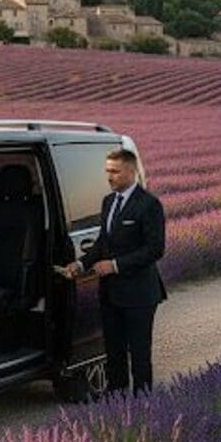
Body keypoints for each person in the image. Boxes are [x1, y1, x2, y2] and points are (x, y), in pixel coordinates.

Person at [63, 147, 167, 394]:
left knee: (140, 356)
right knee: (114, 354)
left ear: (131, 171)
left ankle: (143, 407)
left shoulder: (149, 204)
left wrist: (115, 265)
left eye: (115, 172)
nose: (109, 177)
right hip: (111, 293)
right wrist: (80, 264)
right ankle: (117, 407)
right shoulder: (109, 201)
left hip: (139, 295)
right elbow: (103, 243)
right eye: (107, 171)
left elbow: (155, 250)